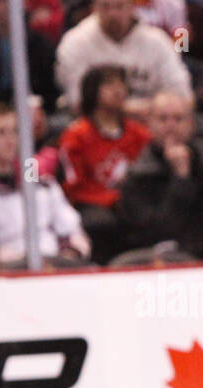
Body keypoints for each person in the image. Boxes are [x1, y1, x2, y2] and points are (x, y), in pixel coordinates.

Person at [115, 91, 203, 262]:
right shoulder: (139, 177)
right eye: (162, 119)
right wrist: (181, 179)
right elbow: (154, 233)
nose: (171, 126)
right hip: (168, 268)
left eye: (178, 119)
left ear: (191, 124)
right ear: (149, 124)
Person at [57, 64, 150, 262]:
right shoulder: (76, 136)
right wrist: (109, 199)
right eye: (108, 84)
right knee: (102, 223)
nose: (118, 89)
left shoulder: (138, 133)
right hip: (91, 204)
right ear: (92, 90)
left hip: (130, 202)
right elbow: (72, 187)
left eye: (121, 84)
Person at [0, 102, 90, 267]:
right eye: (1, 133)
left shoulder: (35, 176)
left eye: (15, 131)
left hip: (55, 264)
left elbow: (70, 229)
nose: (10, 140)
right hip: (8, 269)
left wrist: (71, 252)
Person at [55, 0, 191, 117]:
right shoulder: (75, 41)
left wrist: (181, 50)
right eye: (105, 6)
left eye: (119, 6)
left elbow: (182, 29)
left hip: (152, 122)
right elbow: (78, 102)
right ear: (94, 7)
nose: (113, 14)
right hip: (96, 125)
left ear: (132, 6)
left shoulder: (172, 5)